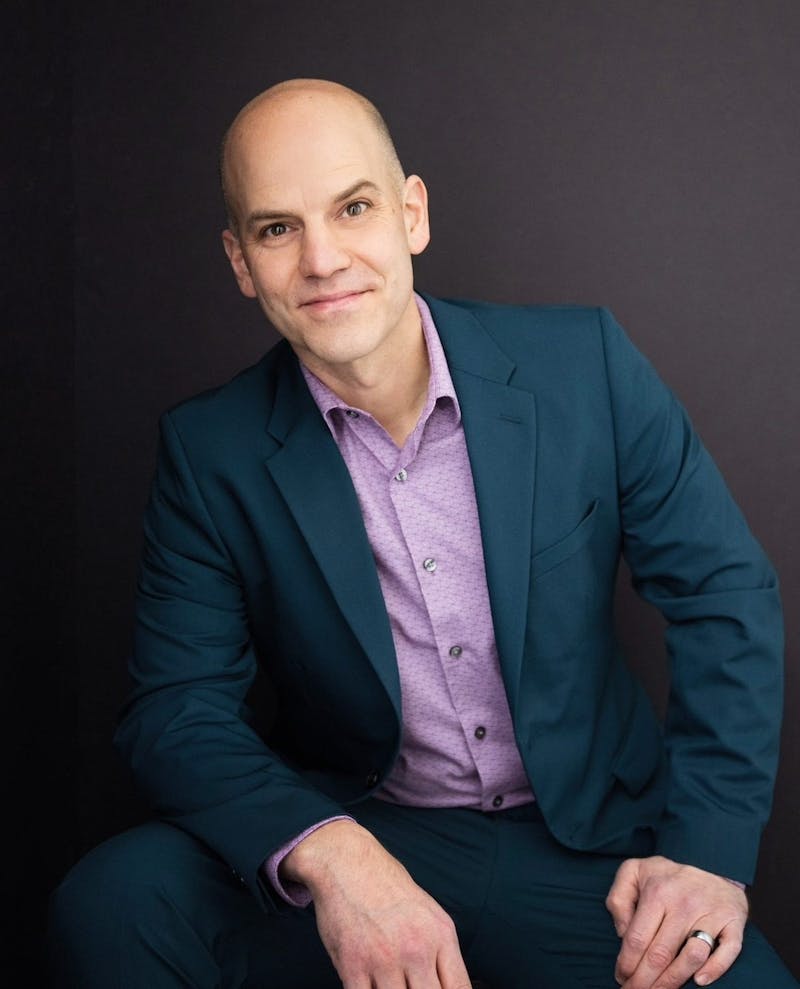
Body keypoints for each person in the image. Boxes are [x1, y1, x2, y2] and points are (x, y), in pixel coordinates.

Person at [48, 79, 797, 989]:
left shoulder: (584, 366)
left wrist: (709, 851)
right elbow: (177, 707)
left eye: (353, 207)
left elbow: (725, 594)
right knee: (116, 898)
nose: (323, 259)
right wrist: (334, 856)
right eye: (278, 229)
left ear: (412, 213)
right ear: (241, 261)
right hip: (373, 832)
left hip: (592, 857)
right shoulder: (211, 451)